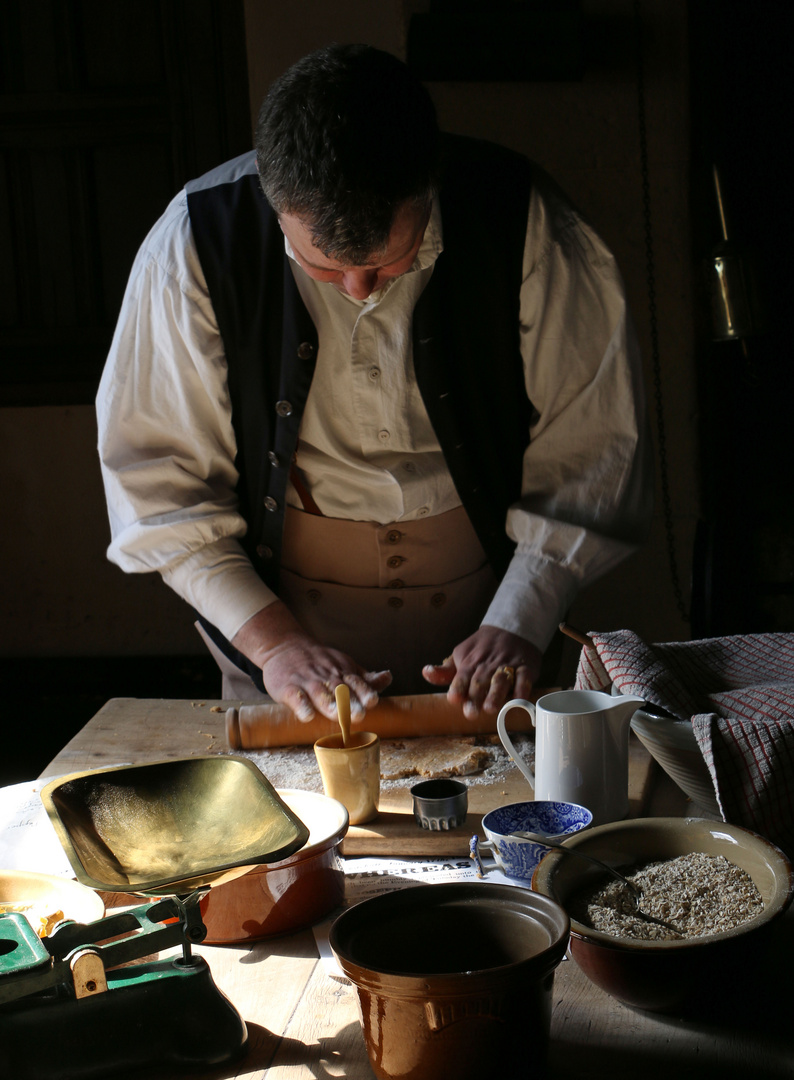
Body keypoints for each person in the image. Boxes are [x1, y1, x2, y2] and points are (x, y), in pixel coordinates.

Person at [96, 44, 652, 728]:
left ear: (428, 187)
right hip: (280, 626)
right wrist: (276, 646)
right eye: (325, 271)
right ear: (277, 207)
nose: (359, 291)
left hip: (493, 618)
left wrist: (523, 616)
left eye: (391, 264)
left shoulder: (525, 220)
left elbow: (592, 450)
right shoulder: (194, 244)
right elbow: (159, 488)